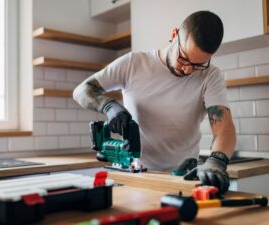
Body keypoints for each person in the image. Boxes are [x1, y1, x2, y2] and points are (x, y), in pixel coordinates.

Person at [73, 11, 236, 194]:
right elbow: (82, 90)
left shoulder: (210, 75)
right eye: (183, 58)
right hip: (134, 174)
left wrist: (217, 160)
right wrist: (109, 106)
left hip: (182, 177)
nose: (188, 69)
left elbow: (224, 128)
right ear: (174, 36)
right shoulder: (134, 63)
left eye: (198, 64)